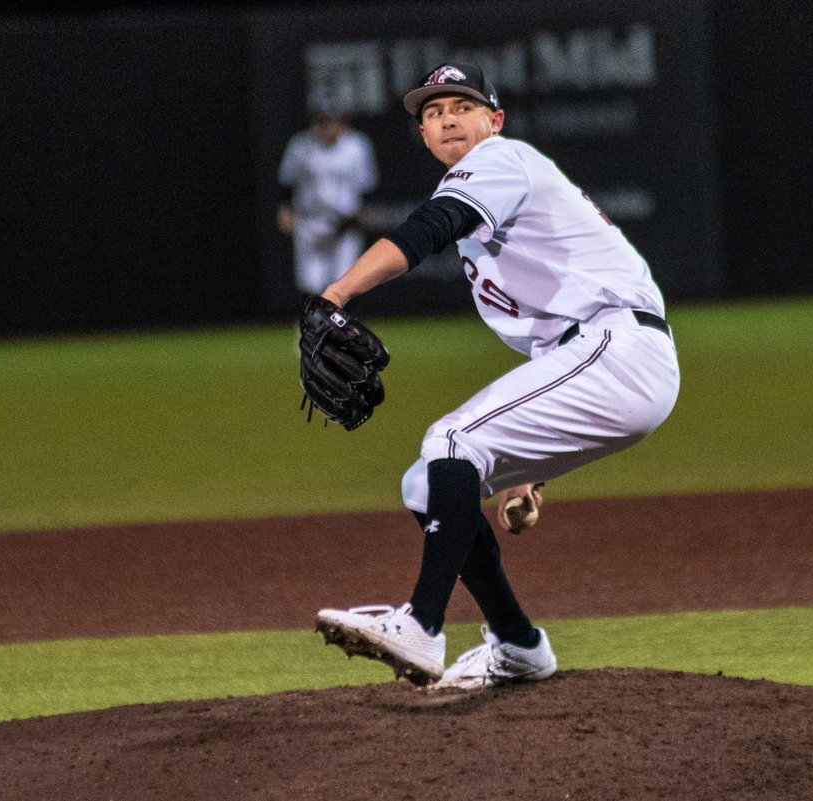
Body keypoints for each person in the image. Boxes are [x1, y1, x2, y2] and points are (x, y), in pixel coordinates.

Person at [313, 64, 680, 690]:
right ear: (424, 136)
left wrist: (336, 293)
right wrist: (532, 472)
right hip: (602, 355)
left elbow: (427, 228)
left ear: (494, 119)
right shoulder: (496, 197)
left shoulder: (502, 161)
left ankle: (421, 627)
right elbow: (551, 348)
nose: (446, 117)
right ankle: (518, 645)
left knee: (451, 442)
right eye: (431, 112)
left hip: (616, 343)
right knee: (427, 483)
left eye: (461, 105)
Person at [276, 101, 379, 294]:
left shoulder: (356, 145)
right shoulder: (301, 145)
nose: (329, 126)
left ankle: (340, 323)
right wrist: (285, 210)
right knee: (311, 282)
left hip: (344, 222)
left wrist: (363, 210)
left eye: (333, 121)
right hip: (310, 221)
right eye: (323, 121)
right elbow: (287, 181)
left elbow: (367, 184)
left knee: (345, 280)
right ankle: (312, 323)